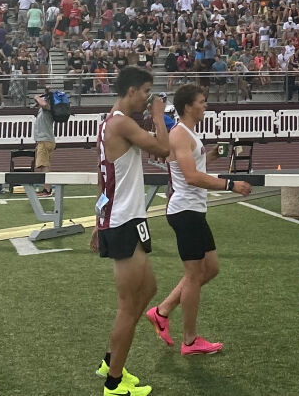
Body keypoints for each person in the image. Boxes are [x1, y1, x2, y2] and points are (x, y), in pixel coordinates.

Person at [145, 85, 251, 356]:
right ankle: (190, 341)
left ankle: (163, 311)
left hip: (194, 210)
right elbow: (191, 177)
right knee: (194, 276)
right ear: (189, 106)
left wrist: (214, 153)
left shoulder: (190, 134)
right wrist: (230, 184)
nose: (205, 106)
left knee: (210, 268)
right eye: (202, 102)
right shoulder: (179, 134)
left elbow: (194, 165)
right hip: (185, 211)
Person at [95, 66, 170, 396]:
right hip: (124, 222)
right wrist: (158, 115)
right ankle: (113, 381)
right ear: (130, 91)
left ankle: (111, 359)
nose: (148, 98)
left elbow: (104, 178)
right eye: (145, 92)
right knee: (129, 305)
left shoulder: (111, 121)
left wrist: (97, 220)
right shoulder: (122, 122)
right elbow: (163, 150)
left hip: (127, 219)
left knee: (148, 289)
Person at [31, 89, 58, 196]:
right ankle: (46, 188)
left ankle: (47, 189)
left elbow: (44, 104)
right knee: (43, 165)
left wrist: (37, 97)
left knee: (44, 165)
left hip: (45, 140)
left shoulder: (49, 107)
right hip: (44, 140)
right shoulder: (43, 110)